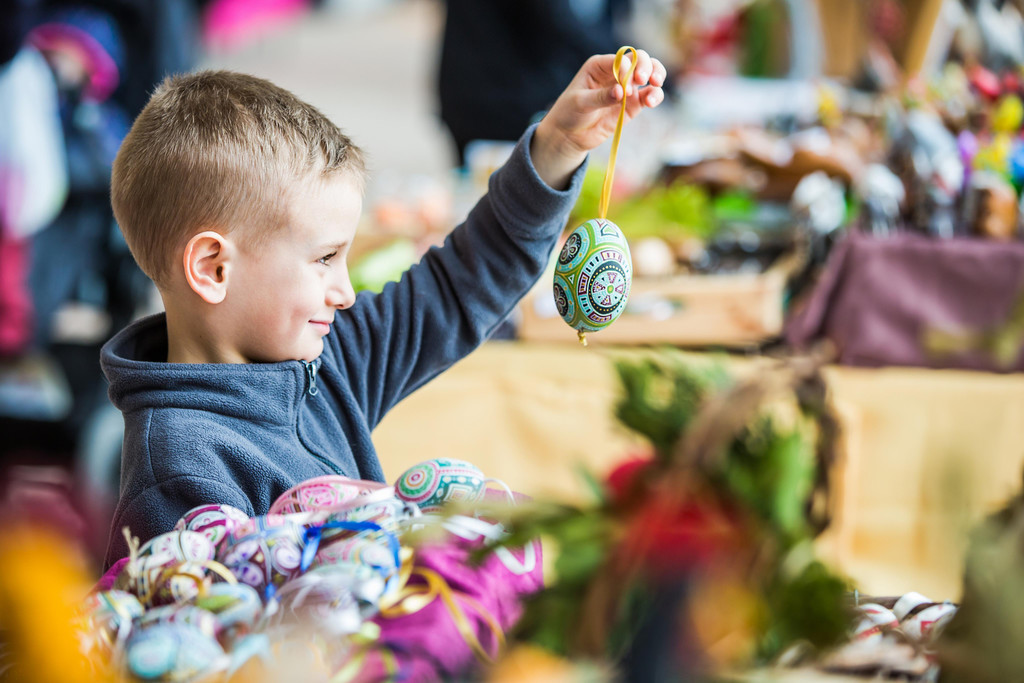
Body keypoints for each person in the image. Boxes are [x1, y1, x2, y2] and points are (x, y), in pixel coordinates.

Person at [101, 50, 666, 567]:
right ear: (213, 268)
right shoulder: (180, 476)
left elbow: (456, 288)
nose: (344, 291)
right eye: (324, 258)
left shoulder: (324, 360)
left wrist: (560, 145)